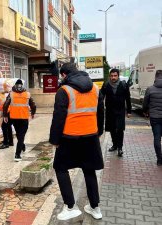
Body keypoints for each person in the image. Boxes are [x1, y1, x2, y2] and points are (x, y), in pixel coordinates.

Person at [50, 63, 104, 221]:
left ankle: (70, 206)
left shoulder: (64, 90)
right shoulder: (95, 88)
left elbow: (58, 118)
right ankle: (95, 208)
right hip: (90, 137)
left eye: (61, 76)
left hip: (70, 138)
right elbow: (101, 112)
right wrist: (98, 132)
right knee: (89, 170)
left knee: (60, 168)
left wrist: (55, 140)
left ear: (65, 75)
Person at [100, 68, 132, 157]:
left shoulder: (123, 85)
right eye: (111, 76)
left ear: (118, 76)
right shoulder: (106, 85)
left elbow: (128, 99)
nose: (113, 77)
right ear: (110, 76)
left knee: (120, 129)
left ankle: (120, 148)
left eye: (115, 76)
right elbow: (101, 97)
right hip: (110, 111)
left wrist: (129, 111)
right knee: (112, 129)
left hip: (120, 111)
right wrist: (99, 107)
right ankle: (114, 145)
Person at [3, 79, 36, 161]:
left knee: (19, 134)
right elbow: (33, 105)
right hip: (24, 118)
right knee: (21, 136)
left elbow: (5, 105)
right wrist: (33, 113)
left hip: (14, 118)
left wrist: (5, 116)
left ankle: (22, 145)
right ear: (22, 85)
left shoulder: (11, 94)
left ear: (15, 85)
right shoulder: (27, 94)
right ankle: (17, 154)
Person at [143, 70, 162, 166]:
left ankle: (159, 159)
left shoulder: (150, 89)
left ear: (156, 77)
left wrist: (145, 111)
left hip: (155, 117)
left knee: (157, 138)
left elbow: (145, 103)